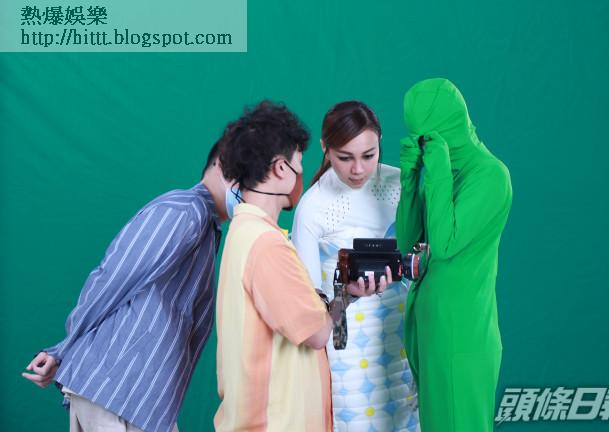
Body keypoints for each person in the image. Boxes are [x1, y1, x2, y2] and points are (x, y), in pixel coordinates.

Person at [22, 133, 240, 432]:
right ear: (222, 166)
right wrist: (64, 348)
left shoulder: (208, 228)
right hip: (112, 388)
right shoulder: (183, 211)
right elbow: (112, 278)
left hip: (139, 401)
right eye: (247, 176)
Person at [213, 100, 390, 432]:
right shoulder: (267, 246)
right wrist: (346, 296)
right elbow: (318, 332)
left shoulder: (243, 231)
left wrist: (345, 292)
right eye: (299, 163)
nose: (302, 173)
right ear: (281, 169)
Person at [291, 101, 420, 432]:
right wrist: (347, 294)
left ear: (380, 142)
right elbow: (311, 313)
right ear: (325, 148)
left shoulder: (401, 185)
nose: (358, 169)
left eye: (369, 155)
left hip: (405, 336)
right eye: (345, 157)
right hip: (347, 348)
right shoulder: (312, 207)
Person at [396, 78, 513, 431]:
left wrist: (438, 169)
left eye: (429, 136)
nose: (424, 144)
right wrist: (410, 181)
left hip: (462, 336)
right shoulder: (442, 175)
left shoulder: (490, 175)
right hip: (431, 333)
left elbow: (445, 244)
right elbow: (407, 244)